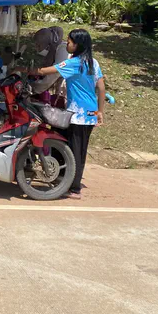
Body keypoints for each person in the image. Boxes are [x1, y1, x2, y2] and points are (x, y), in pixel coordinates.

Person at [29, 29, 106, 200]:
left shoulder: (74, 63)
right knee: (74, 147)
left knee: (75, 151)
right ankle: (64, 178)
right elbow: (101, 88)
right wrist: (100, 111)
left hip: (78, 115)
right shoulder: (93, 62)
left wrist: (22, 69)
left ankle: (74, 188)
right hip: (89, 113)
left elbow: (44, 71)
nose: (67, 44)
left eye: (70, 42)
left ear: (78, 45)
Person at [28, 26, 68, 98]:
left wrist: (36, 88)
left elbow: (55, 72)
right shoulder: (51, 51)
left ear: (48, 44)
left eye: (39, 45)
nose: (37, 48)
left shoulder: (63, 49)